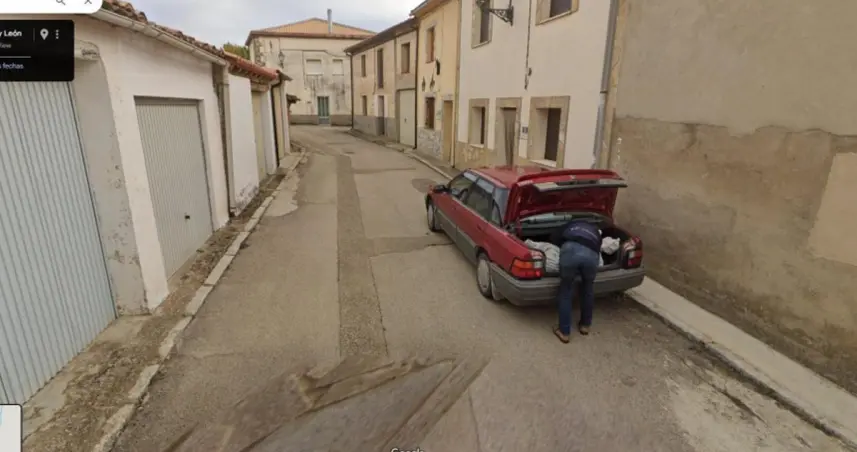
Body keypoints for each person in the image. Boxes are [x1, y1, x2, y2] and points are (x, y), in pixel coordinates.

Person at [550, 219, 602, 343]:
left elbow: (554, 239)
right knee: (588, 288)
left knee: (566, 290)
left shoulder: (569, 225)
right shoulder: (595, 231)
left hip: (571, 250)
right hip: (591, 255)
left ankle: (564, 332)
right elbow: (598, 247)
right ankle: (585, 325)